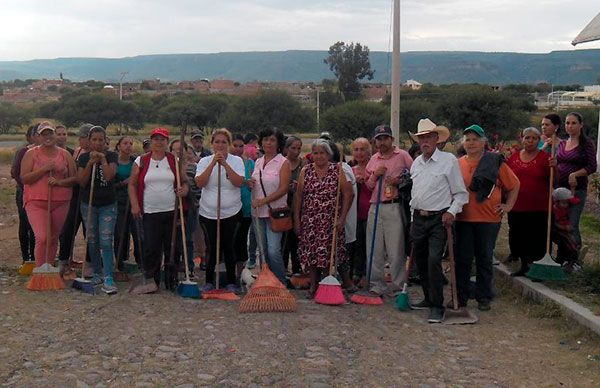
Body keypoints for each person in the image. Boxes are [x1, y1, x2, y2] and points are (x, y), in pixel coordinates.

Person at [409, 118, 468, 323]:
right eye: (421, 138)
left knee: (434, 260)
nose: (424, 141)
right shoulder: (416, 162)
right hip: (418, 217)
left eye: (428, 137)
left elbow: (461, 194)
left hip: (438, 219)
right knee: (421, 260)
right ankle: (428, 297)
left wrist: (451, 212)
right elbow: (415, 194)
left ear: (437, 139)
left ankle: (437, 305)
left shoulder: (448, 161)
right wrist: (412, 218)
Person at [455, 124, 520, 312]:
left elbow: (514, 185)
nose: (471, 143)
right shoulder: (458, 163)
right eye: (468, 139)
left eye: (475, 139)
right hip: (463, 219)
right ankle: (461, 296)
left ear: (483, 142)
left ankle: (484, 297)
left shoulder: (494, 162)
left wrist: (508, 206)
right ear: (463, 143)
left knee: (484, 259)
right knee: (463, 260)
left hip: (489, 220)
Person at [129, 127, 189, 294]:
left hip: (172, 211)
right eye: (156, 139)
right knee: (151, 247)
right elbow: (132, 184)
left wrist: (184, 190)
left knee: (173, 247)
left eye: (162, 139)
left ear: (167, 142)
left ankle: (172, 278)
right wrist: (135, 205)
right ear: (151, 141)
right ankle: (151, 280)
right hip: (149, 211)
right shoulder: (141, 161)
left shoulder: (173, 160)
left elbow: (184, 181)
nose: (159, 142)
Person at [294, 139, 353, 298]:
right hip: (310, 220)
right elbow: (299, 197)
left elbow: (348, 194)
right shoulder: (305, 171)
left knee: (328, 254)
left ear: (329, 154)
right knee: (311, 254)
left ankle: (326, 284)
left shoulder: (337, 170)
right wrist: (297, 220)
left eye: (322, 153)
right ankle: (313, 285)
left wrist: (342, 218)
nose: (319, 156)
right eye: (316, 153)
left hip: (329, 221)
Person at [364, 125, 413, 297]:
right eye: (379, 139)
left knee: (395, 248)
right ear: (375, 141)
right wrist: (375, 175)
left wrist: (398, 181)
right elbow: (369, 186)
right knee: (374, 248)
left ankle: (399, 286)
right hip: (375, 206)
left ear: (391, 139)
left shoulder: (402, 156)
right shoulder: (374, 159)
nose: (382, 142)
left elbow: (413, 176)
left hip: (393, 205)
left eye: (385, 138)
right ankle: (376, 284)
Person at [20, 122, 77, 269]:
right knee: (43, 237)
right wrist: (44, 169)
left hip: (61, 201)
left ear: (54, 135)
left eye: (50, 133)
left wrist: (59, 182)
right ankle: (40, 269)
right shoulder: (31, 154)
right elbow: (25, 178)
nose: (48, 137)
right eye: (44, 134)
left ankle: (49, 268)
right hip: (36, 202)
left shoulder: (65, 155)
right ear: (38, 137)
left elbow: (74, 178)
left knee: (53, 238)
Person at [195, 128, 244, 292]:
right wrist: (213, 163)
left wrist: (225, 164)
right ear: (212, 144)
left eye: (224, 142)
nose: (220, 145)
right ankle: (209, 280)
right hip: (208, 212)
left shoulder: (236, 161)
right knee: (211, 247)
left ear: (228, 144)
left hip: (231, 212)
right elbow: (200, 183)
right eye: (217, 142)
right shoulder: (204, 161)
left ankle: (231, 281)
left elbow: (238, 182)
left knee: (229, 246)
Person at [77, 126, 120, 294]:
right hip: (88, 204)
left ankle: (108, 276)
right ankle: (97, 272)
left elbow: (110, 176)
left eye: (100, 140)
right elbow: (81, 181)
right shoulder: (83, 158)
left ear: (105, 140)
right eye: (93, 140)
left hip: (108, 205)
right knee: (92, 239)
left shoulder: (111, 156)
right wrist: (89, 163)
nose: (97, 143)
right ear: (89, 140)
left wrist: (102, 161)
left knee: (106, 240)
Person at [506, 127, 553, 276]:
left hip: (538, 206)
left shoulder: (546, 158)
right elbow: (506, 177)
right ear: (522, 139)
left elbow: (553, 180)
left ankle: (539, 268)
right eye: (527, 138)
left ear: (539, 141)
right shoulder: (513, 158)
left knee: (536, 237)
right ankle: (524, 265)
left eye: (534, 138)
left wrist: (554, 167)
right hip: (516, 204)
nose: (530, 141)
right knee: (519, 236)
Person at [247, 127, 292, 285]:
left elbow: (284, 188)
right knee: (263, 250)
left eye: (272, 140)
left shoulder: (283, 162)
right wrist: (250, 184)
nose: (268, 143)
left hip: (275, 212)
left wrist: (264, 201)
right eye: (266, 139)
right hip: (258, 212)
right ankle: (266, 279)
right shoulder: (258, 161)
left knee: (273, 250)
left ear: (279, 143)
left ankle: (280, 280)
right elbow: (255, 184)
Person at [555, 112, 597, 249]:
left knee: (571, 224)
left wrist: (575, 174)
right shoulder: (562, 143)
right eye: (567, 123)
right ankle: (563, 256)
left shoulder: (587, 144)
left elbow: (592, 166)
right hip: (560, 189)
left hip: (577, 190)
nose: (570, 126)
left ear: (581, 125)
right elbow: (559, 162)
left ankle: (574, 258)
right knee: (560, 223)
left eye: (574, 123)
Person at [58, 124, 93, 274]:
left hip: (89, 196)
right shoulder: (77, 152)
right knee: (67, 230)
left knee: (89, 231)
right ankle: (64, 260)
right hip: (74, 196)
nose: (79, 140)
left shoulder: (96, 154)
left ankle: (90, 263)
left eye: (82, 138)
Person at [11, 125, 38, 265]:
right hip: (24, 192)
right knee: (25, 224)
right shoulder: (23, 151)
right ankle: (25, 257)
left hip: (40, 194)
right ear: (31, 136)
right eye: (37, 133)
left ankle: (35, 257)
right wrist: (26, 187)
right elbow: (15, 172)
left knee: (36, 227)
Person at [113, 136, 140, 268]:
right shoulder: (114, 162)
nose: (128, 146)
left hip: (133, 200)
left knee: (137, 231)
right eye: (125, 143)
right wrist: (124, 183)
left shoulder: (136, 161)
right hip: (118, 201)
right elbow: (110, 182)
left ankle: (140, 261)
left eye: (131, 143)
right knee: (120, 232)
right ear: (118, 146)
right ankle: (120, 261)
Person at [230, 134, 255, 275]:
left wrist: (251, 184)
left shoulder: (249, 163)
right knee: (230, 239)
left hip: (245, 207)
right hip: (229, 206)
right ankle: (227, 270)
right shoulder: (226, 162)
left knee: (241, 239)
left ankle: (240, 272)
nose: (238, 149)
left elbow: (253, 181)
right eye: (235, 145)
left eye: (241, 146)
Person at [350, 138, 372, 287]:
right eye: (356, 150)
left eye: (362, 149)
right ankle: (356, 273)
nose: (359, 153)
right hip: (354, 213)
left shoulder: (373, 168)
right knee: (356, 244)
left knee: (369, 245)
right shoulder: (351, 171)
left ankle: (368, 274)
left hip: (370, 212)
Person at [282, 136, 304, 275]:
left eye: (299, 148)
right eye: (293, 148)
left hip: (299, 205)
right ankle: (283, 268)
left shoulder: (304, 164)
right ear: (286, 148)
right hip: (283, 205)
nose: (296, 151)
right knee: (283, 240)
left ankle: (297, 267)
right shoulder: (281, 163)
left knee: (296, 239)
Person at [550, 188, 581, 272]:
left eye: (568, 203)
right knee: (566, 241)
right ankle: (572, 259)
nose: (566, 205)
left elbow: (576, 201)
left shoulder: (565, 207)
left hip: (565, 229)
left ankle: (564, 260)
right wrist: (563, 227)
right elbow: (554, 223)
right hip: (557, 230)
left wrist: (573, 189)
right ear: (556, 202)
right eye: (564, 203)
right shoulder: (555, 210)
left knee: (567, 242)